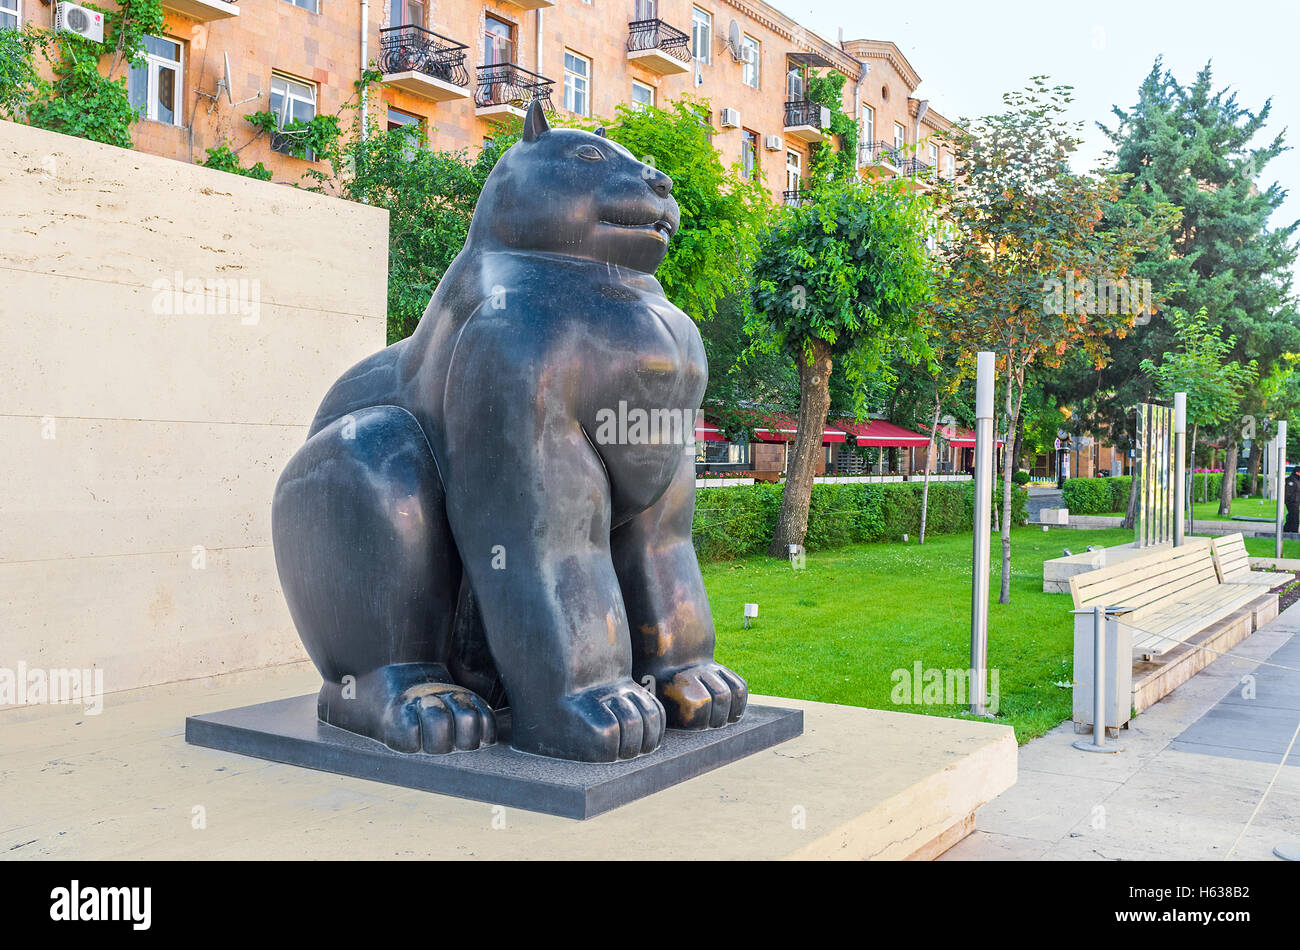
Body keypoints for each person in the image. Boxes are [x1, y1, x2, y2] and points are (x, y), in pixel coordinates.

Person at [1285, 466, 1300, 533]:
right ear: (1297, 472)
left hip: (1296, 501)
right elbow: (1288, 492)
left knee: (1292, 516)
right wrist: (1290, 501)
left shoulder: (1297, 479)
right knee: (1294, 517)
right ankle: (1294, 532)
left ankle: (1287, 530)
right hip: (1292, 502)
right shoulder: (1291, 480)